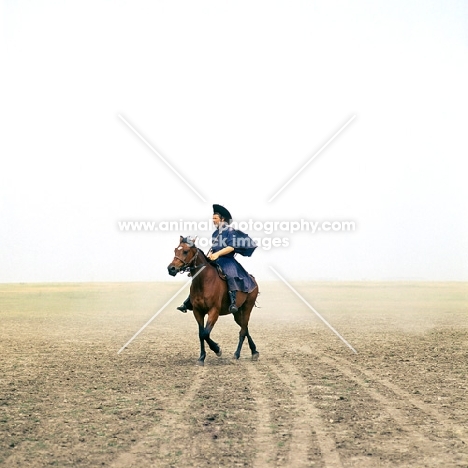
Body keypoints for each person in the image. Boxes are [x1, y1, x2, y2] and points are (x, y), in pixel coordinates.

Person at [177, 204, 257, 313]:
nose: (213, 220)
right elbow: (214, 248)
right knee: (199, 274)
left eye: (215, 218)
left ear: (222, 219)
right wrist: (208, 255)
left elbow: (230, 247)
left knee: (230, 274)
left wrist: (217, 254)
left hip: (227, 260)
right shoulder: (215, 233)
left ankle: (233, 302)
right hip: (215, 259)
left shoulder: (230, 231)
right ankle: (189, 301)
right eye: (213, 218)